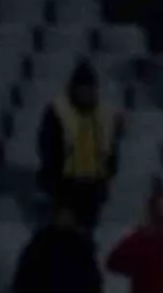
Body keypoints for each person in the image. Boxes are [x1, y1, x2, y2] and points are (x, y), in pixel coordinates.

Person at [38, 60, 120, 228]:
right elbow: (48, 148)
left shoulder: (105, 114)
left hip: (93, 185)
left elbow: (111, 147)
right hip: (65, 185)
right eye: (82, 88)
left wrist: (107, 176)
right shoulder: (58, 112)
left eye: (89, 89)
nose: (85, 93)